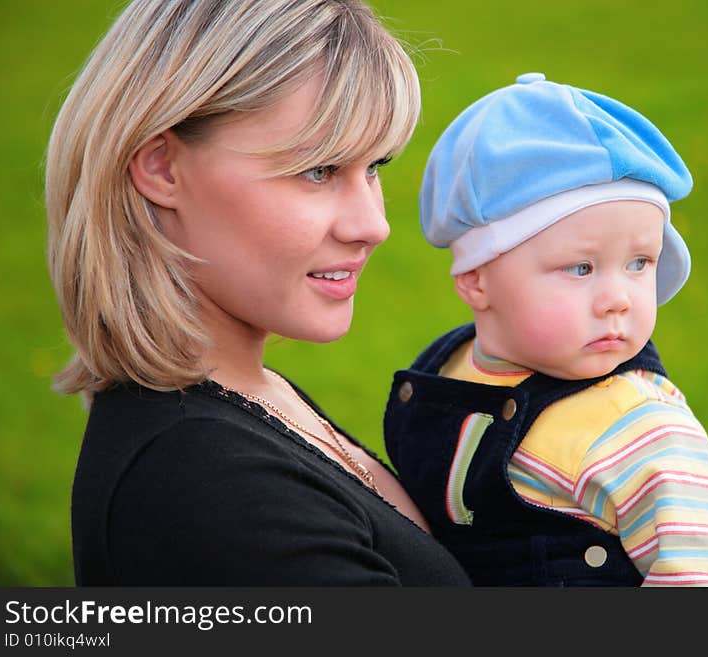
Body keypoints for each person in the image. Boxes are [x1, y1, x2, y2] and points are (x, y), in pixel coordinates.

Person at [45, 0, 470, 586]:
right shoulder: (210, 488)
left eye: (374, 167)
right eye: (318, 170)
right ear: (163, 169)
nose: (373, 224)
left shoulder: (246, 395)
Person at [384, 73, 708, 586]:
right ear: (476, 279)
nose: (618, 298)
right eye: (581, 268)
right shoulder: (448, 370)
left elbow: (701, 580)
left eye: (640, 263)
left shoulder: (642, 431)